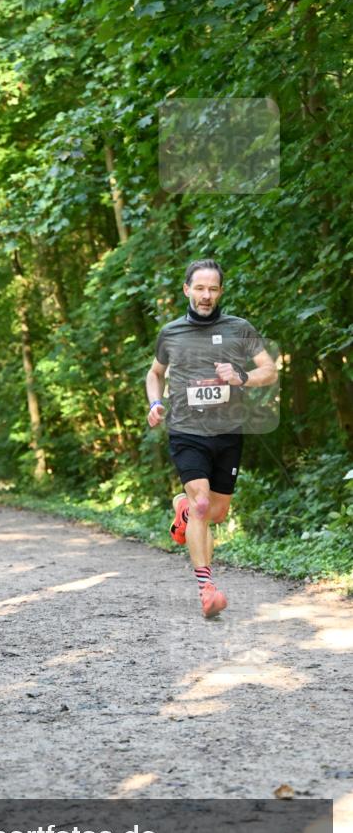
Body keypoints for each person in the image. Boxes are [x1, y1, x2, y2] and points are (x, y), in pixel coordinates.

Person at [145, 259, 277, 618]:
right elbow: (154, 374)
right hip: (187, 431)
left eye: (213, 289)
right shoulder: (171, 332)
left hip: (228, 432)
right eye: (199, 288)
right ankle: (207, 589)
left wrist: (241, 376)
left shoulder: (239, 328)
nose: (206, 296)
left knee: (215, 511)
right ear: (187, 289)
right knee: (202, 502)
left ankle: (183, 510)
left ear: (220, 292)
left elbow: (269, 369)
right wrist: (155, 403)